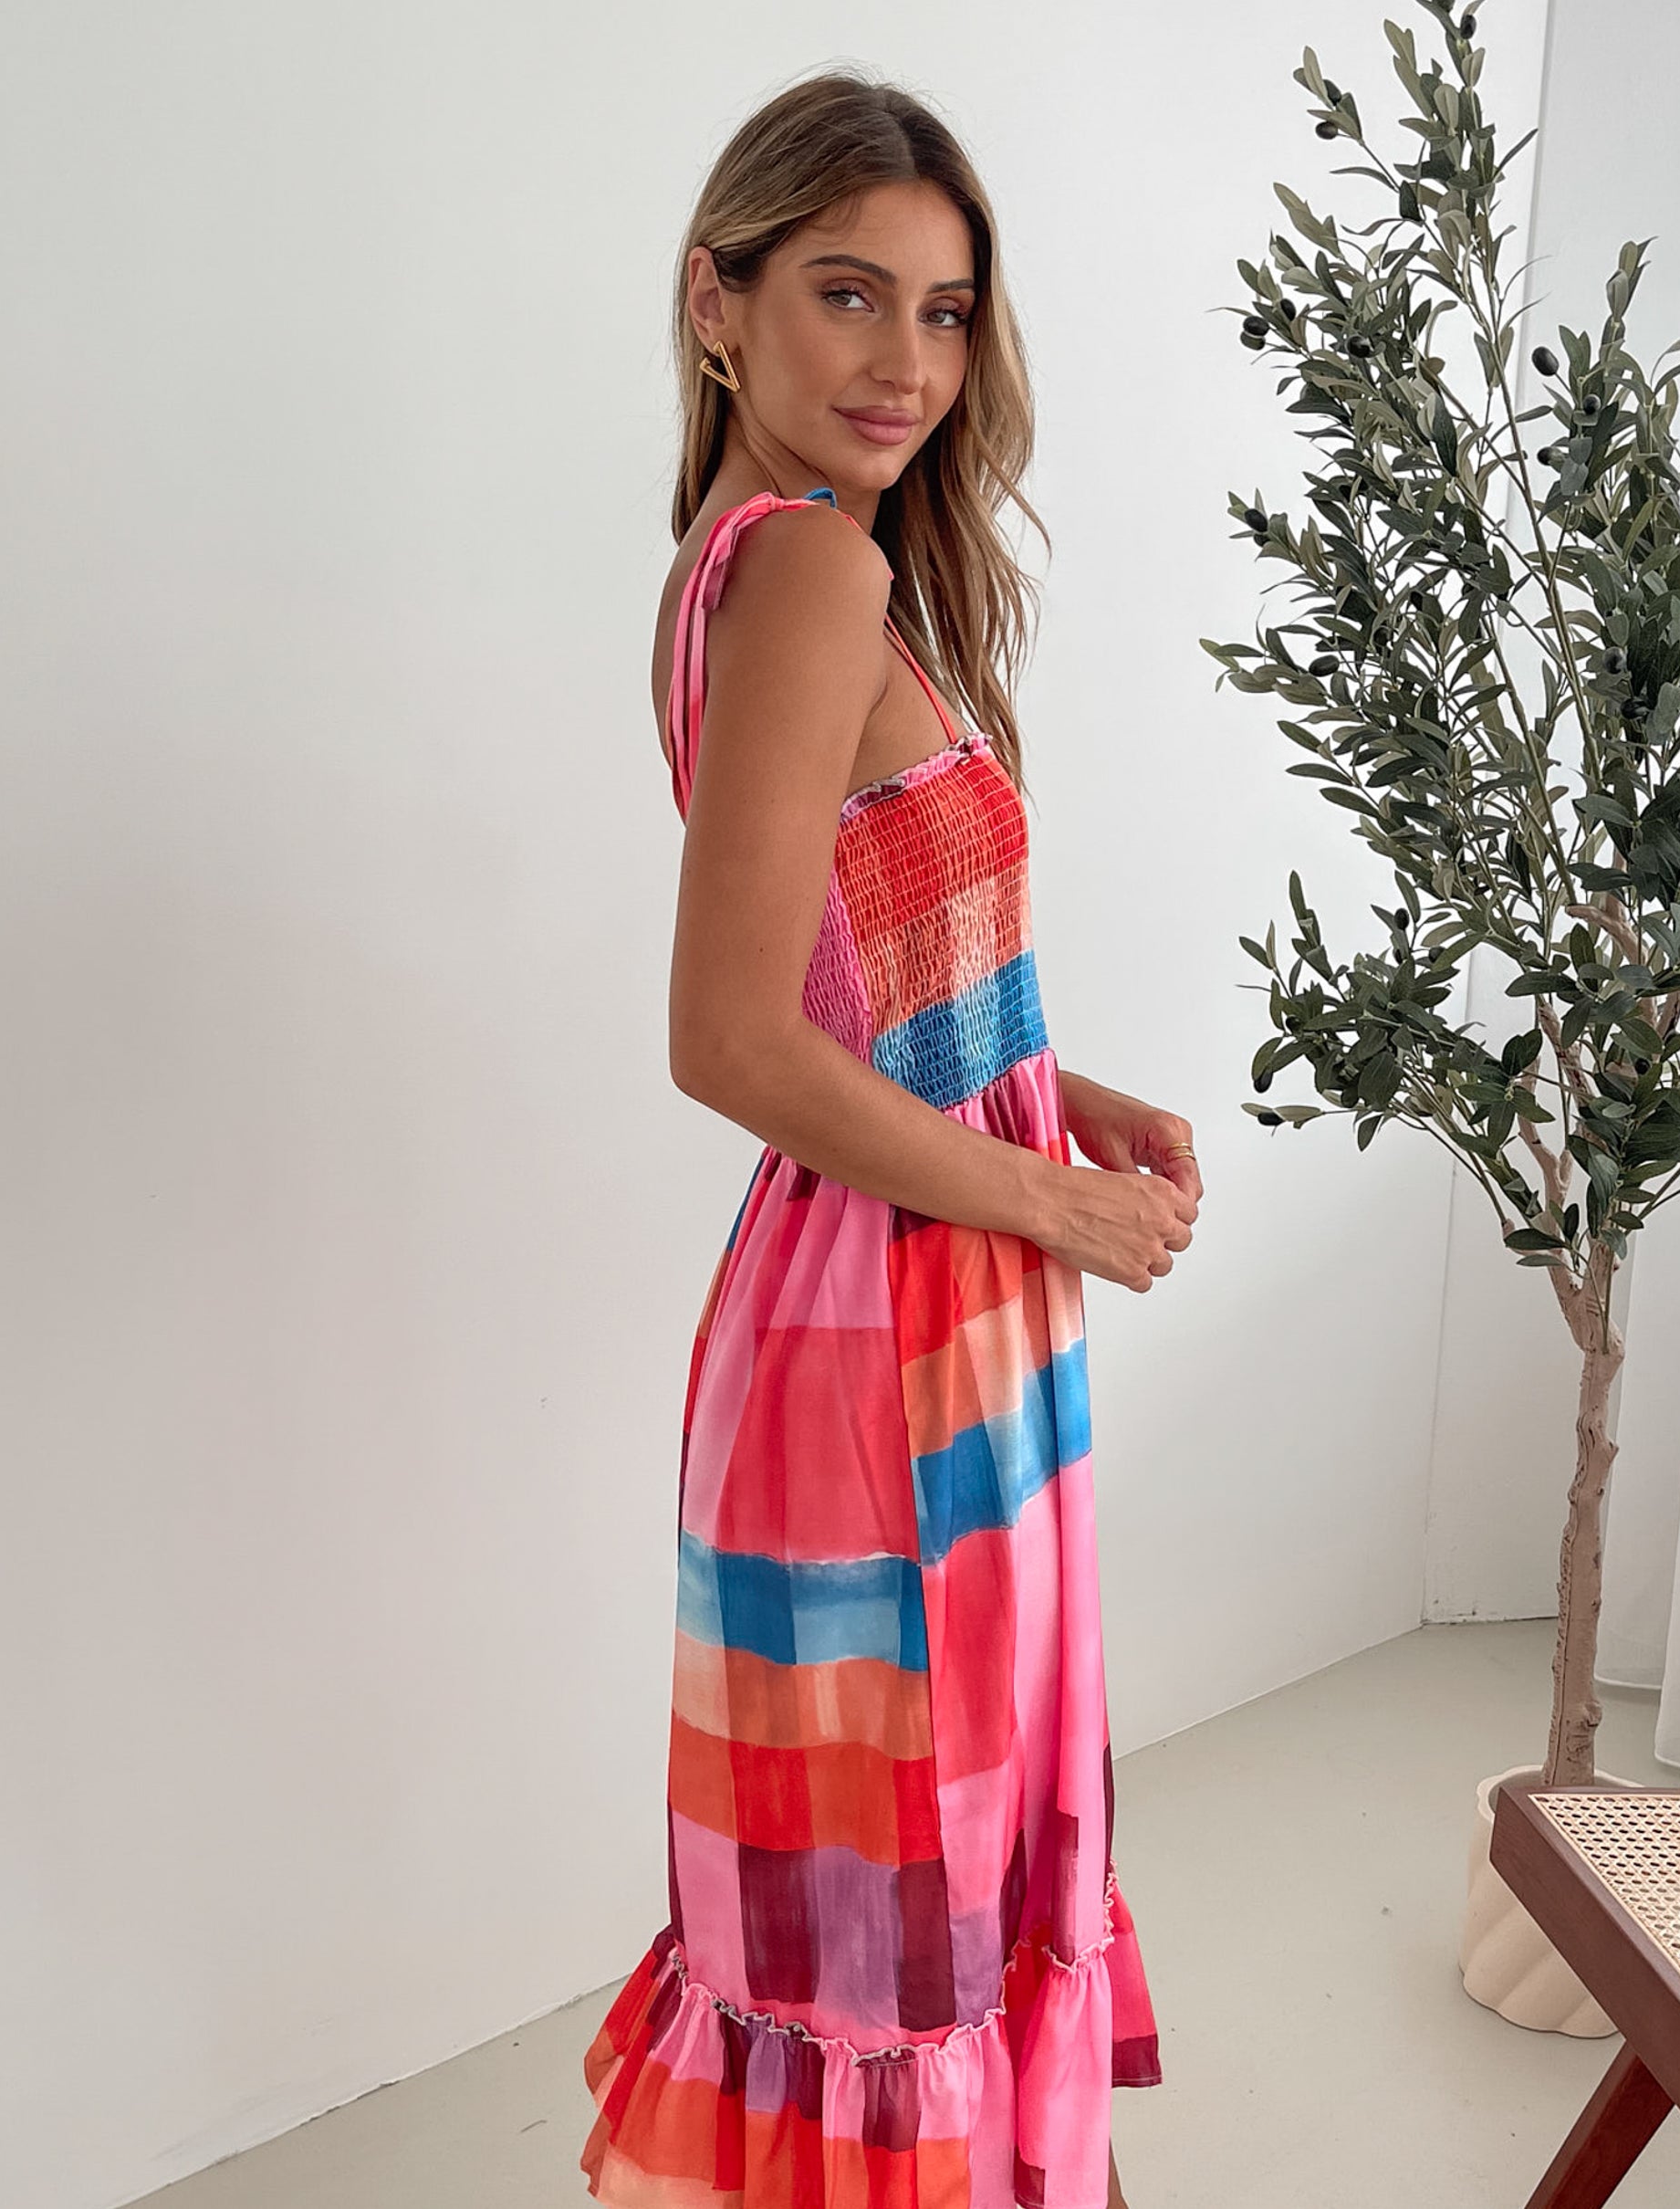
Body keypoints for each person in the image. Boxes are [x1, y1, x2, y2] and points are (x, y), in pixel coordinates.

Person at [581, 69, 1201, 2209]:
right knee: (898, 1913)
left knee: (912, 1893)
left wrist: (1059, 1081)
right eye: (847, 295)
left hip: (911, 1299)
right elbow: (730, 1033)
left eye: (945, 315)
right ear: (715, 302)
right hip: (897, 1341)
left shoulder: (767, 570)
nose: (904, 364)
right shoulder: (809, 578)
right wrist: (1052, 1200)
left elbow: (855, 979)